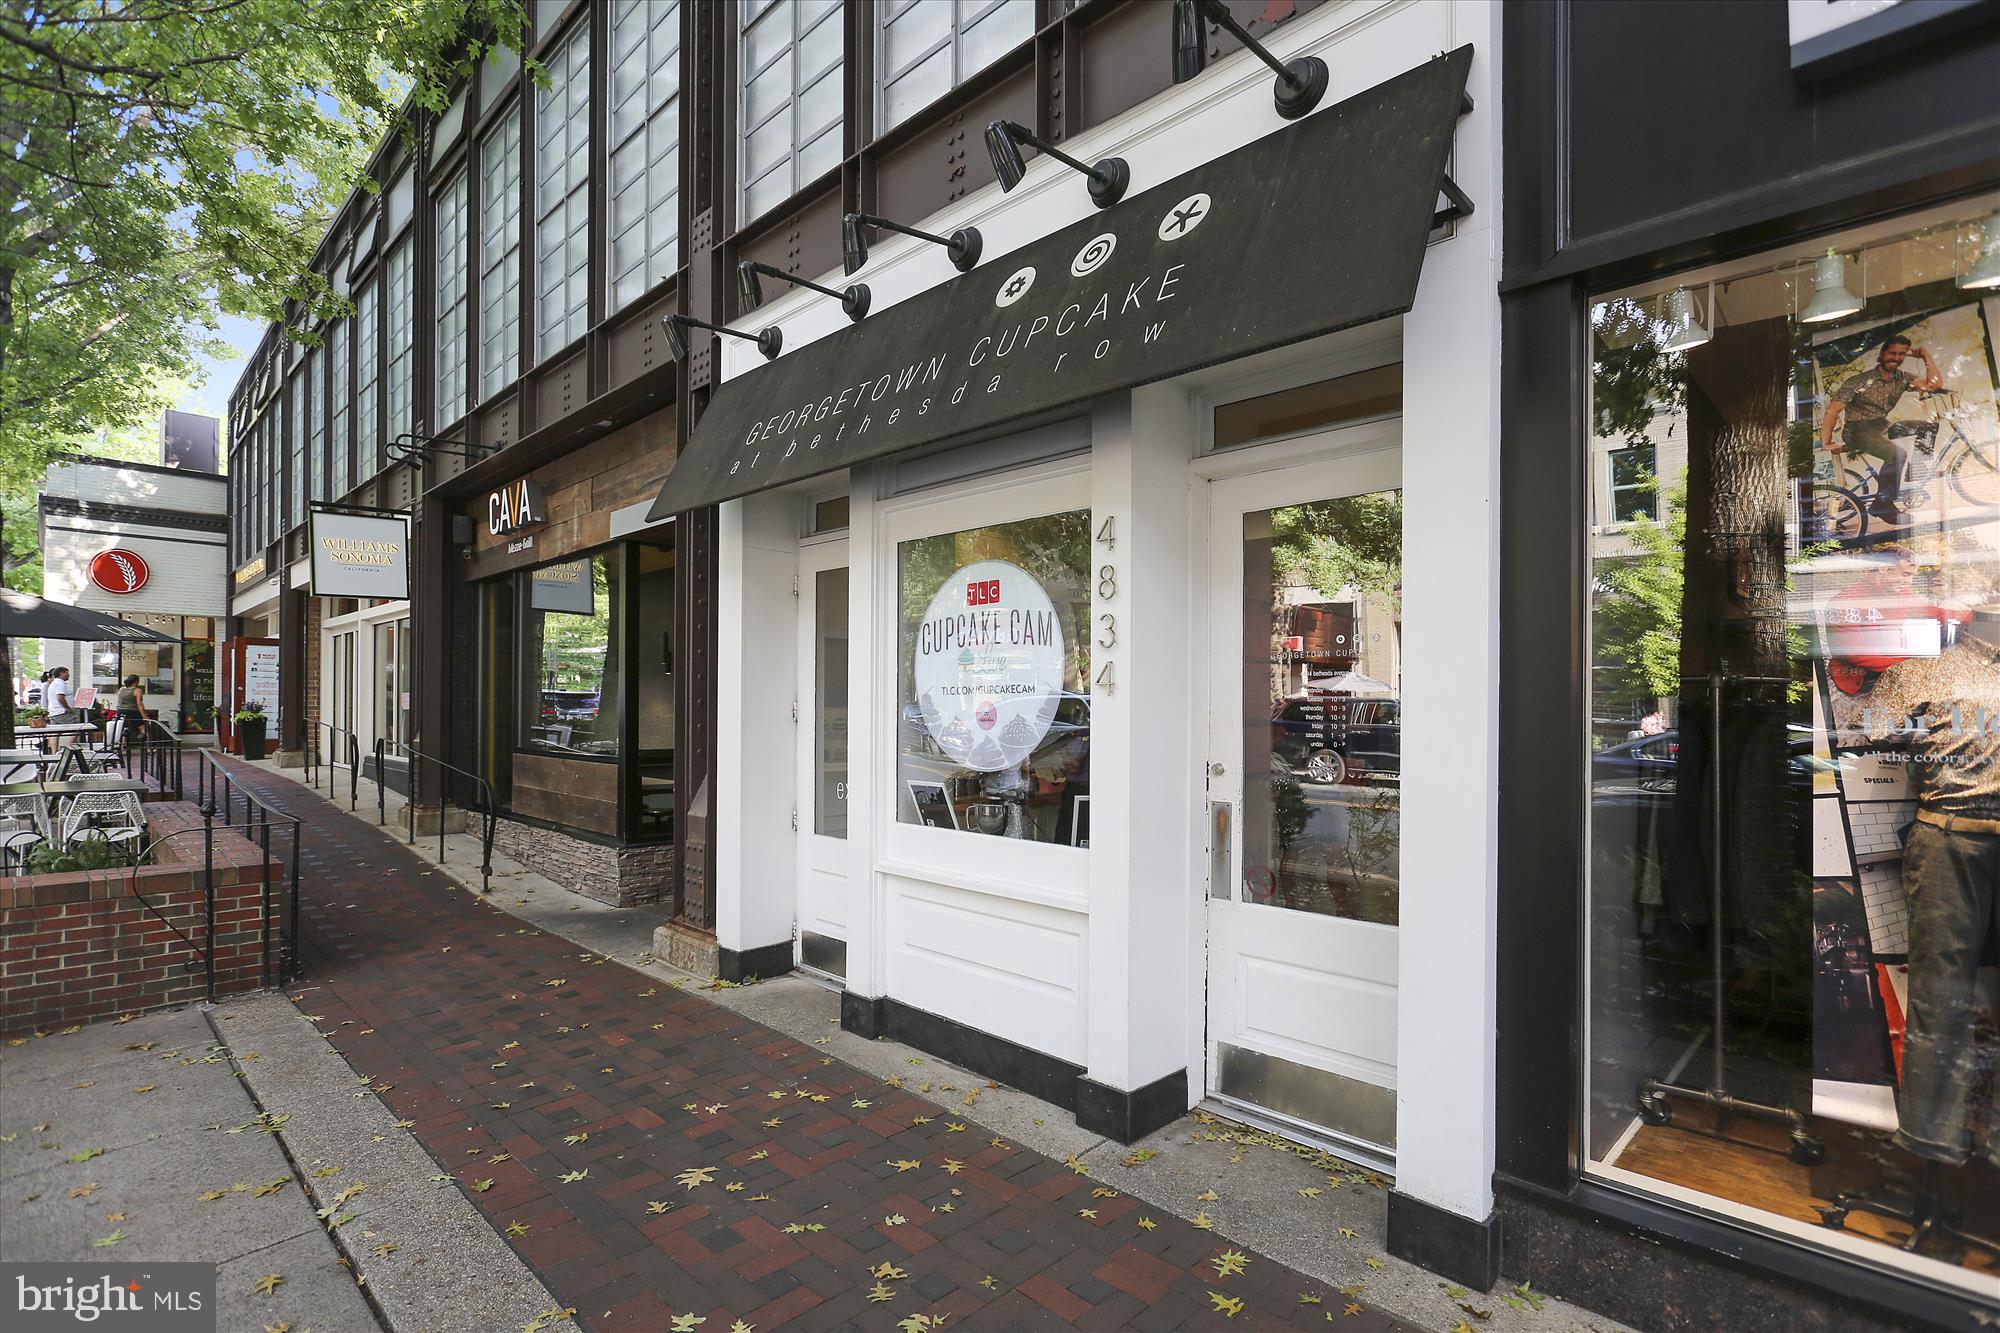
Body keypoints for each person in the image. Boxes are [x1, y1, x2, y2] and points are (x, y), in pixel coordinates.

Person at [1821, 333, 1944, 523]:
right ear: (1882, 353)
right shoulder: (1859, 381)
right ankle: (1883, 505)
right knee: (1897, 455)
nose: (1896, 358)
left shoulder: (1901, 379)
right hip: (1858, 430)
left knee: (1928, 427)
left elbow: (1933, 386)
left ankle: (1916, 469)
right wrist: (1826, 441)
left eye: (1901, 354)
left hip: (1881, 426)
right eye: (1892, 353)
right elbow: (1832, 411)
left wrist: (1926, 356)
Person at [114, 674, 146, 749]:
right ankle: (147, 747)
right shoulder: (137, 690)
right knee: (143, 728)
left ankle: (122, 747)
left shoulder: (121, 689)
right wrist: (144, 715)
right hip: (132, 711)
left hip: (120, 711)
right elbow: (139, 703)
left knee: (124, 728)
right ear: (136, 681)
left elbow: (119, 700)